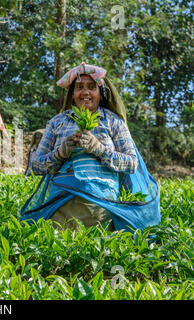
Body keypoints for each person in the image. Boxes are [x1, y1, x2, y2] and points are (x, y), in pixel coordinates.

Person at [21, 62, 160, 231]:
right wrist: (59, 153)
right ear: (72, 94)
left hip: (101, 207)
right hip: (60, 205)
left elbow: (132, 163)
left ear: (100, 94)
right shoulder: (57, 122)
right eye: (79, 87)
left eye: (91, 87)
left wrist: (100, 150)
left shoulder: (113, 122)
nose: (85, 92)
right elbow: (34, 166)